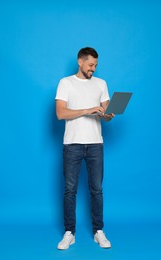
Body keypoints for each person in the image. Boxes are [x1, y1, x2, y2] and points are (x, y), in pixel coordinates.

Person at [55, 47, 115, 250]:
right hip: (72, 144)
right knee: (70, 190)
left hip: (95, 144)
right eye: (91, 65)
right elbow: (60, 114)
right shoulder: (66, 83)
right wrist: (87, 110)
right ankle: (69, 233)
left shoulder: (101, 84)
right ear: (80, 62)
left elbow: (105, 111)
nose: (94, 69)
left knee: (96, 190)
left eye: (96, 65)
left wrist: (108, 114)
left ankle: (99, 231)